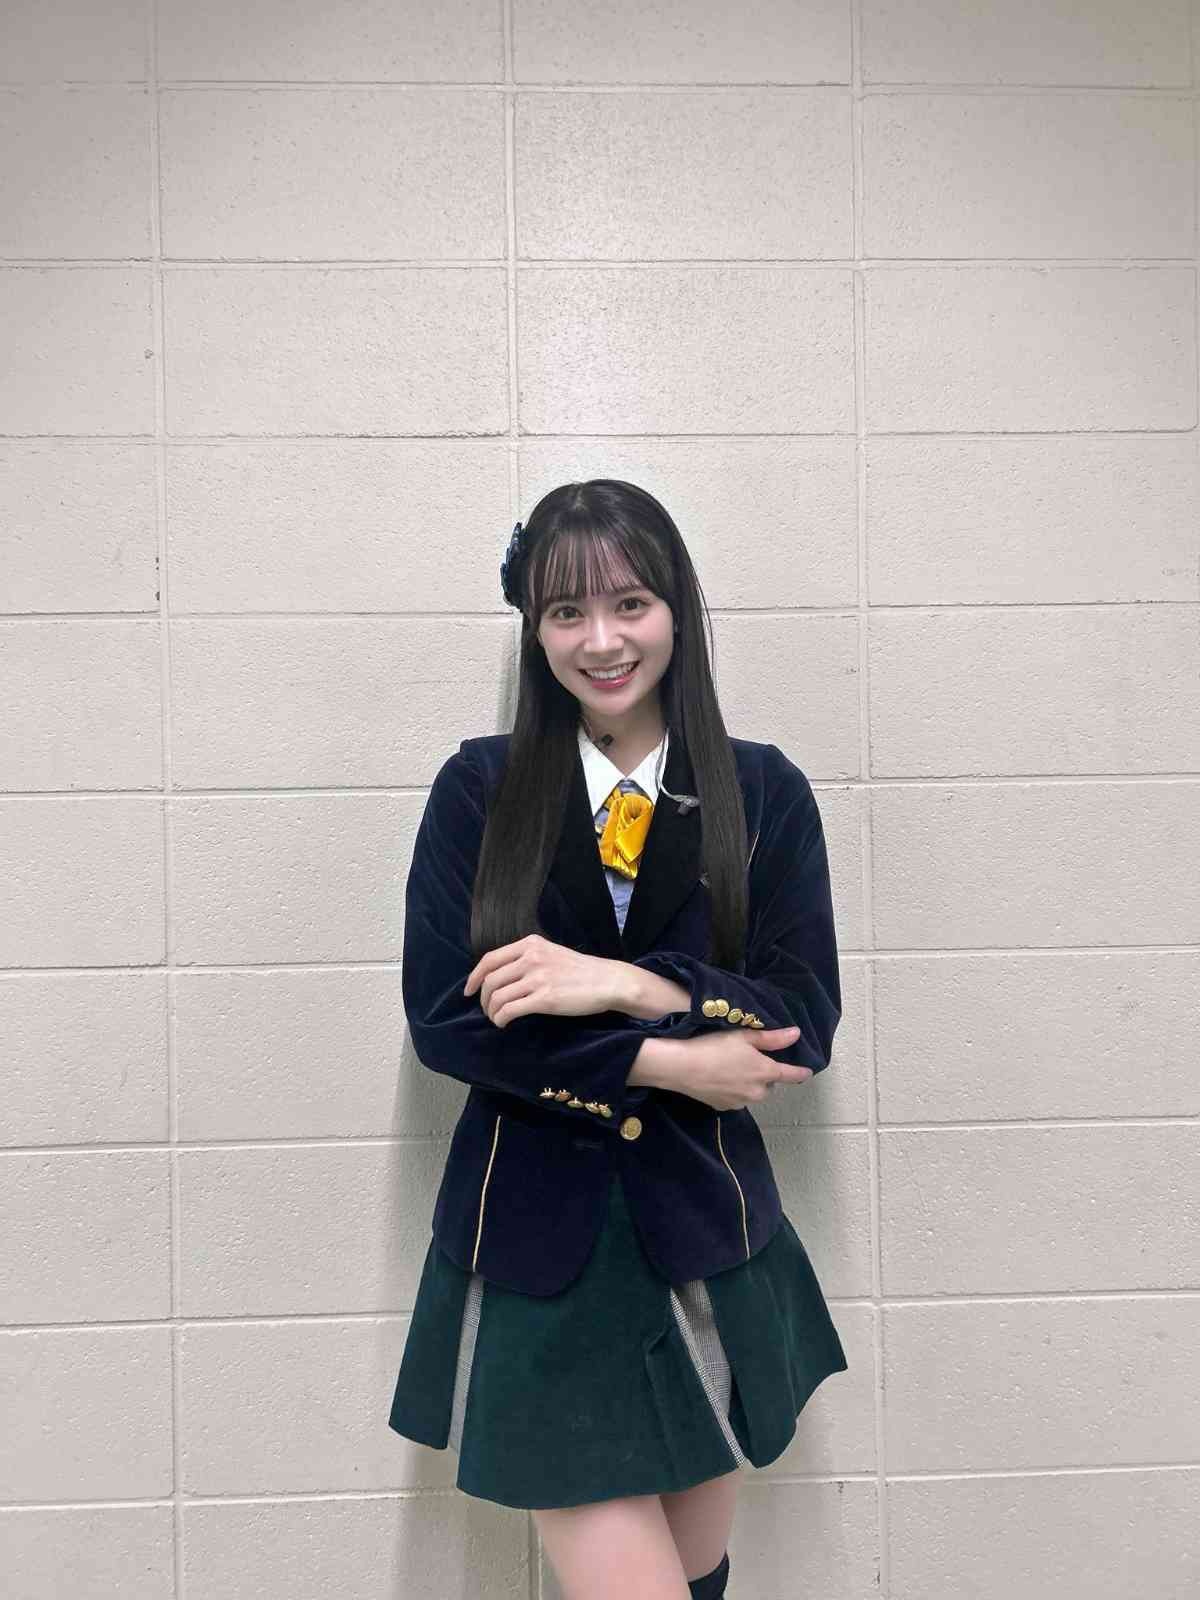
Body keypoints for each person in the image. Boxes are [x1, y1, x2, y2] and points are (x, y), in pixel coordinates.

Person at [388, 479, 848, 1599]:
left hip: (705, 1233)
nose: (602, 641)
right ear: (534, 629)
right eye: (566, 613)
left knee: (697, 1576)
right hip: (537, 1246)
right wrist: (671, 1058)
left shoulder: (763, 792)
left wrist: (627, 984)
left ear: (677, 609)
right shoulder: (480, 790)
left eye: (630, 603)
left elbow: (802, 1018)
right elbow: (448, 1020)